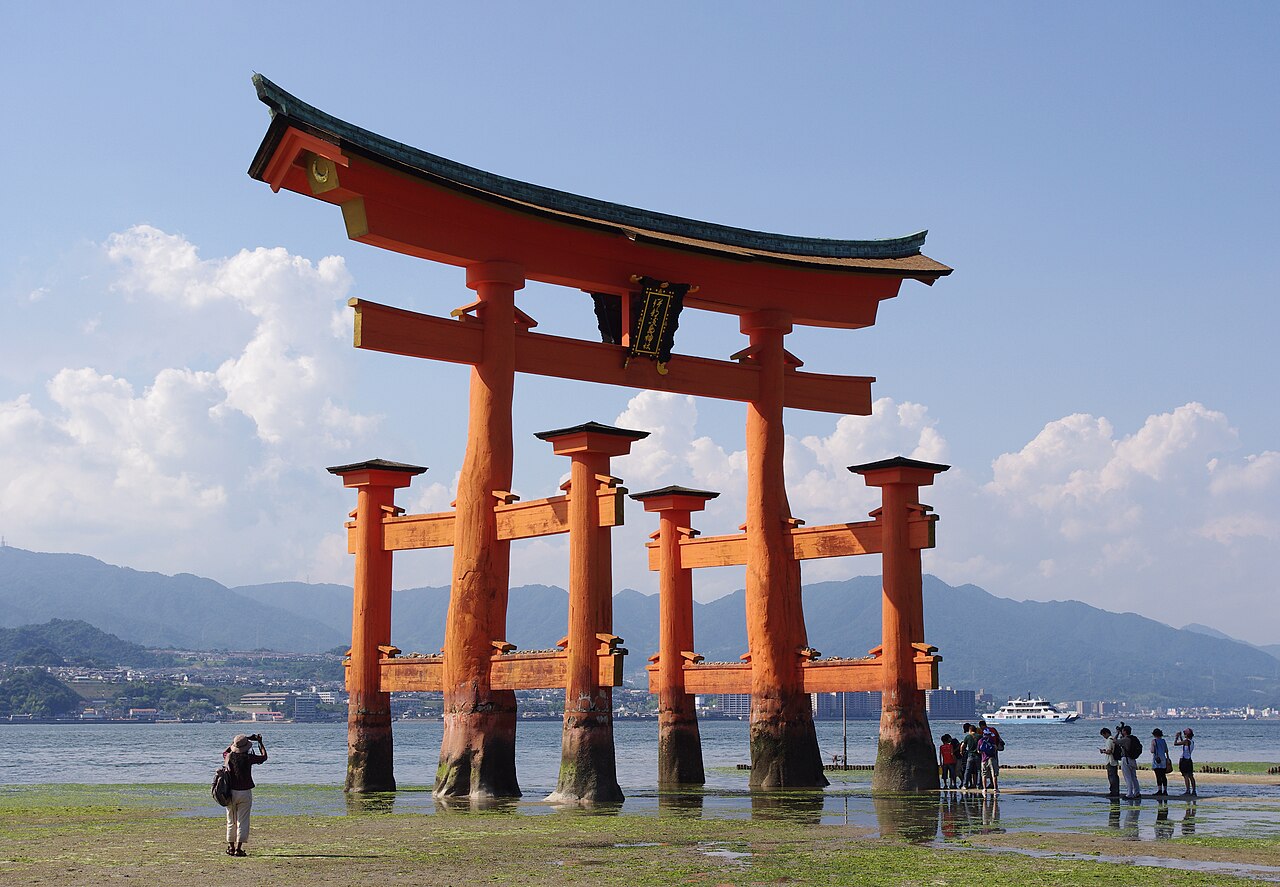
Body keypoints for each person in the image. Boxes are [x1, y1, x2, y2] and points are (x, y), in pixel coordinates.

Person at [222, 732, 268, 856]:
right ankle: (238, 849)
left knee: (231, 820)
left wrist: (236, 742)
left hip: (230, 793)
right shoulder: (248, 758)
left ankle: (231, 848)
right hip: (245, 792)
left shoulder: (229, 757)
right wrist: (259, 742)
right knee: (243, 821)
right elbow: (264, 757)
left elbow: (224, 752)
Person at [978, 719, 1002, 793]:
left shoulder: (980, 740)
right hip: (992, 756)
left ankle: (984, 788)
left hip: (984, 758)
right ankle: (995, 787)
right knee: (994, 772)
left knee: (984, 774)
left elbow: (978, 750)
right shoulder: (993, 730)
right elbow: (998, 739)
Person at [1118, 724, 1141, 799]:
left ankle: (1129, 793)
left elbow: (1115, 741)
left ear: (1124, 731)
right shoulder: (1133, 738)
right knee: (1134, 777)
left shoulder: (1126, 739)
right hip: (1133, 759)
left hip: (1126, 759)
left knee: (1128, 777)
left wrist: (1117, 733)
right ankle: (1137, 792)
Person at [1098, 727, 1120, 797]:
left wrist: (1103, 751)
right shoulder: (1113, 739)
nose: (1104, 737)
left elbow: (1109, 751)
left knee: (1111, 777)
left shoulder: (1108, 740)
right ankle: (1116, 791)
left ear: (1106, 733)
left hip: (1110, 761)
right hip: (1115, 761)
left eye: (1103, 735)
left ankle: (1113, 792)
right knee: (1115, 777)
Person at [1174, 727, 1197, 796]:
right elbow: (1183, 743)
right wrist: (1180, 737)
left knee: (1186, 776)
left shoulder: (1186, 741)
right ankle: (1193, 791)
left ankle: (1187, 791)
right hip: (1189, 760)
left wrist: (1176, 737)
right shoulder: (1191, 741)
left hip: (1184, 760)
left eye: (1185, 734)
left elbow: (1175, 744)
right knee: (1190, 776)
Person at [960, 723, 981, 790]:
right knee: (979, 770)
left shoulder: (968, 737)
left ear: (970, 730)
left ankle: (965, 785)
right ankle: (978, 785)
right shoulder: (980, 736)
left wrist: (961, 752)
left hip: (970, 755)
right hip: (978, 755)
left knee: (967, 770)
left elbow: (962, 745)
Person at [1150, 728, 1171, 795]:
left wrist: (1152, 746)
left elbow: (1152, 751)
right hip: (1163, 759)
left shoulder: (1154, 741)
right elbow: (1166, 750)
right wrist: (1168, 758)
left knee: (1158, 776)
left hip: (1157, 760)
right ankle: (1165, 790)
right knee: (1163, 776)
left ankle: (1159, 790)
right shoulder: (1163, 741)